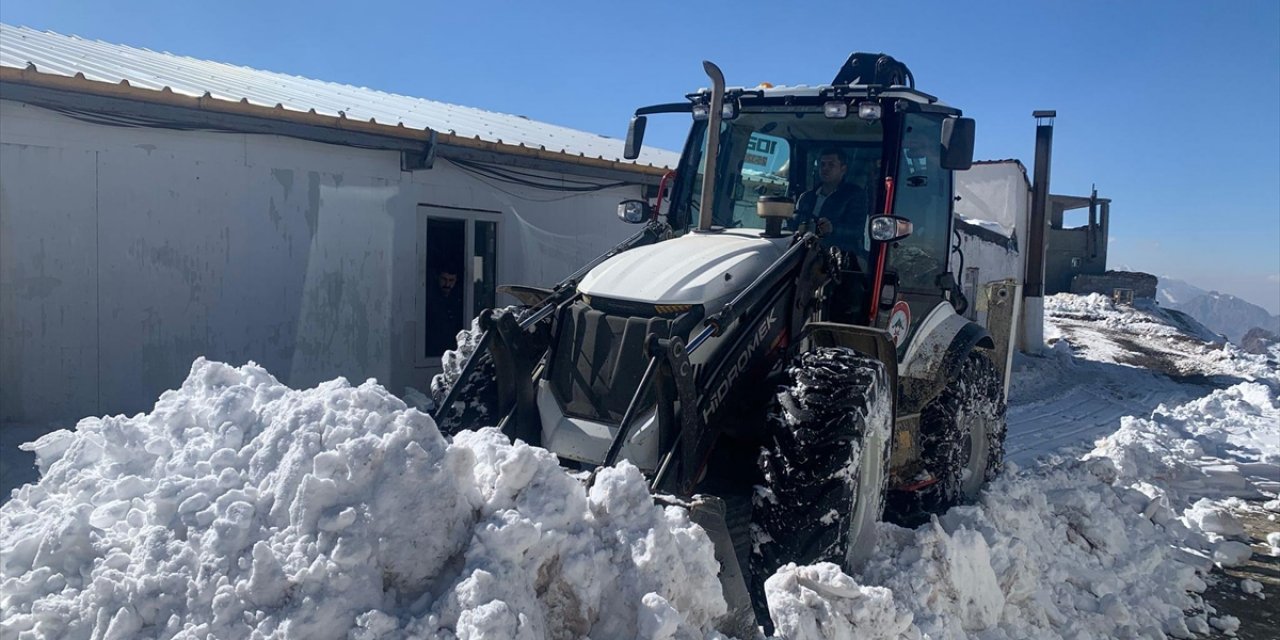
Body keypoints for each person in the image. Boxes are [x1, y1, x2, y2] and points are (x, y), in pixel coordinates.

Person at [794, 148, 871, 268]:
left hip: (839, 260)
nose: (825, 168)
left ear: (843, 169)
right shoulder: (806, 197)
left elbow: (856, 231)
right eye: (822, 164)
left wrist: (832, 229)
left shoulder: (855, 195)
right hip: (803, 253)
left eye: (831, 165)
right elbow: (794, 223)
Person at [425, 267, 464, 356]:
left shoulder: (459, 302)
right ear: (437, 277)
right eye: (444, 279)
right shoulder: (429, 300)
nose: (447, 284)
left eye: (451, 280)